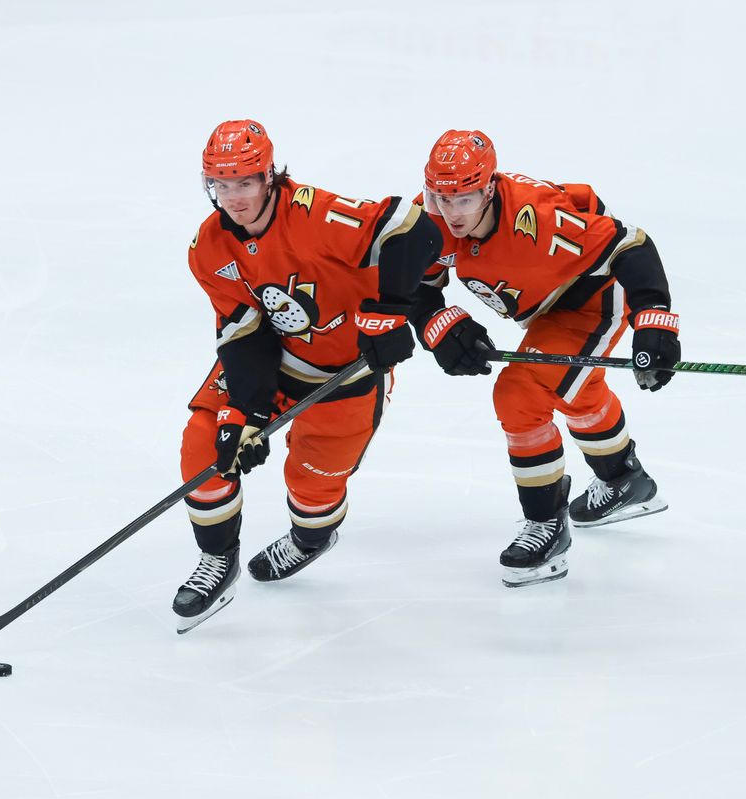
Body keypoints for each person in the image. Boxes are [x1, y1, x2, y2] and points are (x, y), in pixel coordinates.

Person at [174, 119, 440, 632]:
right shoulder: (207, 248)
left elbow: (417, 231)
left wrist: (389, 311)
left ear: (269, 176)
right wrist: (244, 411)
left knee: (313, 488)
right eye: (220, 185)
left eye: (245, 183)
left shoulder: (317, 215)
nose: (233, 198)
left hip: (347, 373)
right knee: (206, 448)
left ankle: (312, 538)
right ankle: (218, 560)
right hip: (274, 362)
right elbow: (245, 334)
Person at [412, 130, 679, 588]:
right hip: (546, 308)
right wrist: (438, 326)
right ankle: (624, 479)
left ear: (490, 187)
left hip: (593, 299)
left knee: (520, 394)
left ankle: (546, 525)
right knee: (574, 390)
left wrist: (654, 318)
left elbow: (629, 245)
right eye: (441, 197)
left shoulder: (538, 219)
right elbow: (416, 286)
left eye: (464, 198)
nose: (451, 212)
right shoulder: (432, 215)